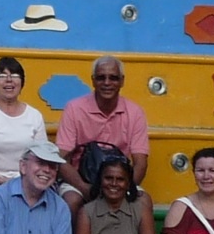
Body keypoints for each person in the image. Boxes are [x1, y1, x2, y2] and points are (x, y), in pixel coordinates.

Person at [55, 54, 150, 212]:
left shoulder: (135, 112)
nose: (107, 83)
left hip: (119, 181)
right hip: (81, 179)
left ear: (122, 81)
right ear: (93, 80)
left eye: (113, 78)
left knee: (144, 202)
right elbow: (61, 159)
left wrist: (125, 189)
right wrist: (85, 188)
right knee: (72, 201)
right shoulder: (74, 108)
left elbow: (141, 163)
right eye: (101, 78)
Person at [0, 56, 47, 195]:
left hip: (29, 181)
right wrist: (1, 181)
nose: (9, 80)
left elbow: (42, 155)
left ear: (22, 83)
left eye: (14, 75)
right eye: (2, 76)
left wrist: (28, 182)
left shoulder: (34, 115)